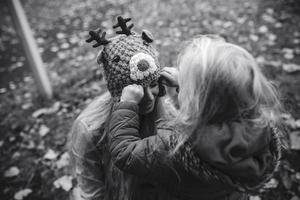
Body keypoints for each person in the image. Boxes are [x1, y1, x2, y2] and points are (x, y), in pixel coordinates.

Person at [107, 35, 283, 200]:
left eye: (187, 84)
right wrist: (185, 89)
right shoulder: (259, 128)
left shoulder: (176, 147)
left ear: (198, 101)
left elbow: (124, 153)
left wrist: (127, 104)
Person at [70, 16, 177, 200]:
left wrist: (184, 89)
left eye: (152, 84)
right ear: (118, 91)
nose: (149, 98)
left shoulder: (167, 109)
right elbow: (92, 195)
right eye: (135, 91)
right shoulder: (90, 129)